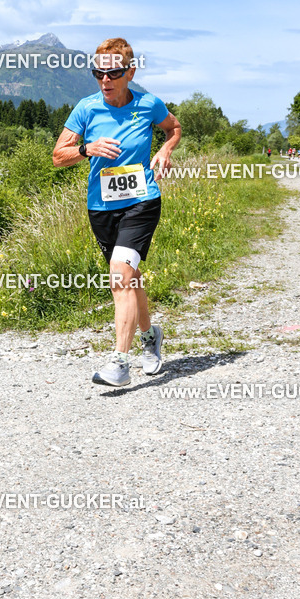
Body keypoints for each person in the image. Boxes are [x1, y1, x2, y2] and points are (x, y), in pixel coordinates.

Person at [52, 37, 181, 387]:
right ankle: (150, 336)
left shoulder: (148, 104)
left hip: (142, 201)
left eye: (114, 74)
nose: (105, 81)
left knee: (120, 276)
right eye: (99, 74)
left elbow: (174, 128)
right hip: (101, 207)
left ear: (130, 71)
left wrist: (166, 150)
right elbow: (57, 156)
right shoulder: (86, 108)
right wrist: (86, 148)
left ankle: (119, 363)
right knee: (131, 279)